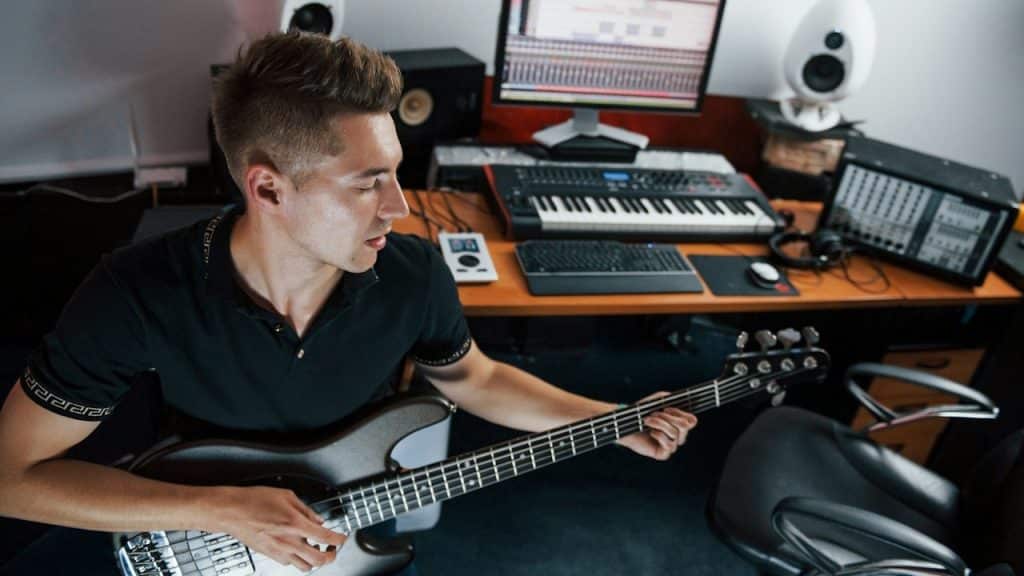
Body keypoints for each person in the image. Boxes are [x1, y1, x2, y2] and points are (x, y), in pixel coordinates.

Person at [0, 32, 698, 574]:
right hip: (198, 524)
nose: (399, 207)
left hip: (346, 512)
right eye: (367, 184)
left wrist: (611, 419)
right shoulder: (135, 292)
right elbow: (10, 479)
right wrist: (219, 511)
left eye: (395, 171)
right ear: (269, 190)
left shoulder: (413, 273)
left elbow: (473, 378)